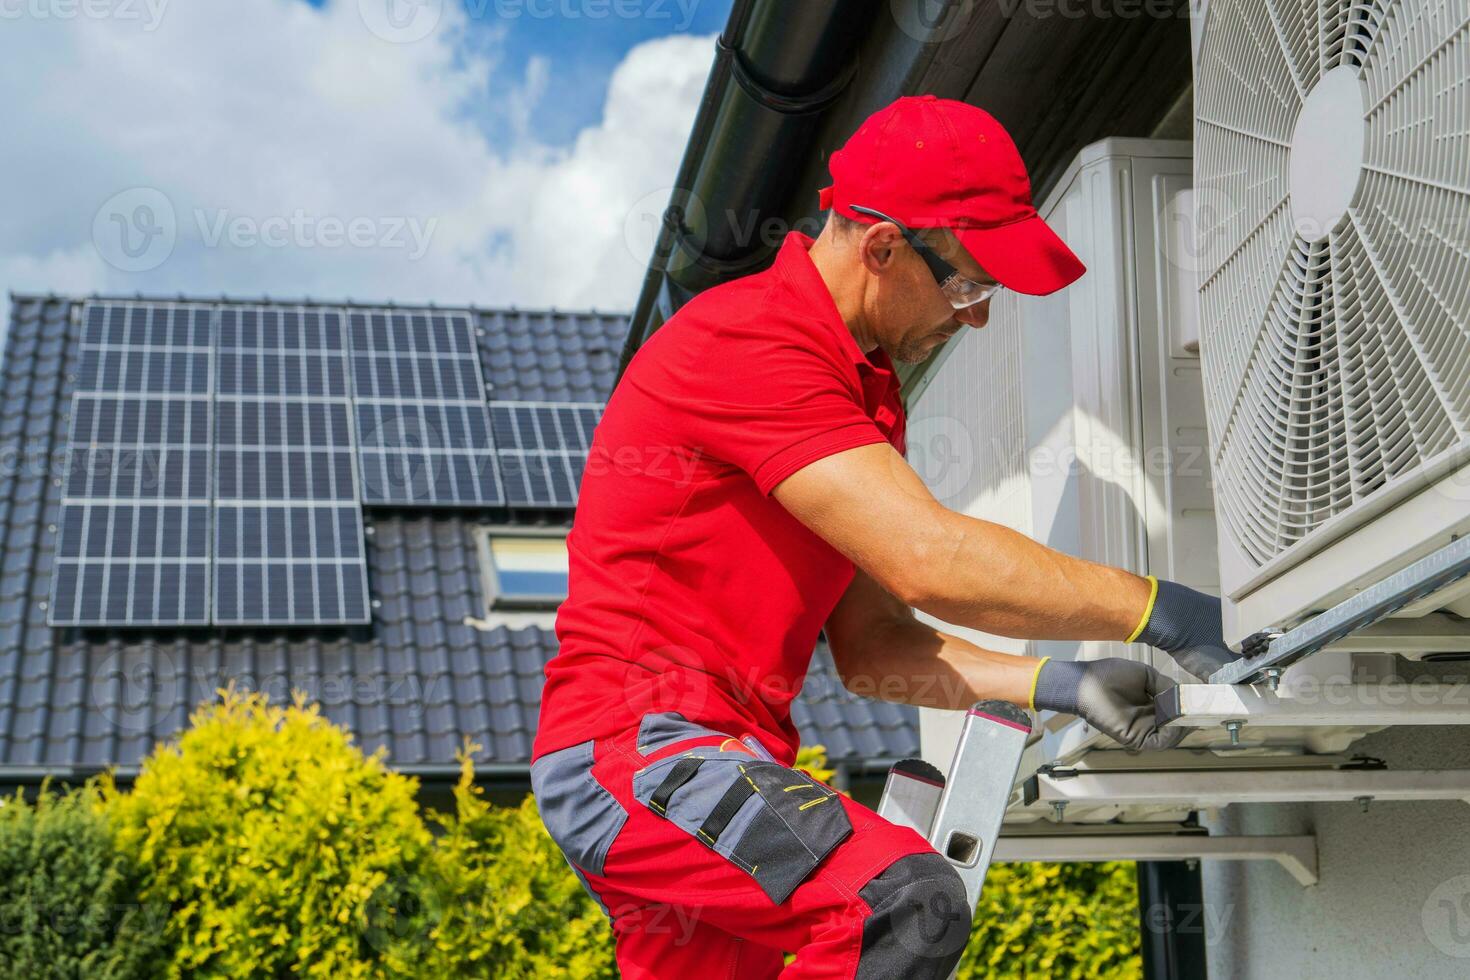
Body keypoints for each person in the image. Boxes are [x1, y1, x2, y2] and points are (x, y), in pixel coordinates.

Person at [531, 95, 1239, 979]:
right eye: (969, 284)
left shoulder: (859, 391)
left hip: (716, 760)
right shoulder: (752, 342)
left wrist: (1064, 680)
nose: (975, 316)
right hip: (642, 751)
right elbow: (929, 559)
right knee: (907, 904)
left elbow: (873, 646)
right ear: (882, 246)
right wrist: (1159, 609)